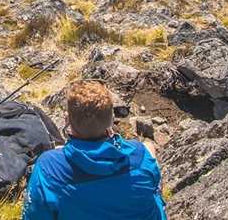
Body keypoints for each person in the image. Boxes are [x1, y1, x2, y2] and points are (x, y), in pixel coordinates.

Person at [22, 80, 167, 220]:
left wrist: (58, 154)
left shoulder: (49, 166)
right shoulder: (140, 154)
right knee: (149, 147)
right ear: (111, 119)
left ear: (67, 120)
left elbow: (34, 215)